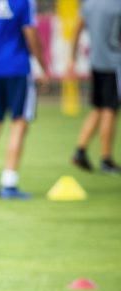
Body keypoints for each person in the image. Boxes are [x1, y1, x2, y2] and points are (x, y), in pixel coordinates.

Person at [0, 0, 50, 199]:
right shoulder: (23, 2)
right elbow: (31, 35)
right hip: (18, 69)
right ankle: (10, 182)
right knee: (19, 123)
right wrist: (43, 66)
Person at [68, 0, 121, 174]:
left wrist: (72, 58)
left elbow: (77, 30)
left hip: (96, 63)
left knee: (97, 108)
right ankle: (106, 158)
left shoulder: (90, 4)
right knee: (110, 110)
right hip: (114, 64)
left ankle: (80, 150)